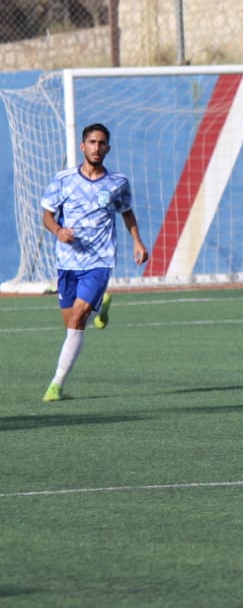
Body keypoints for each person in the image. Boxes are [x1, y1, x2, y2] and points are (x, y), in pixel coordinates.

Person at [40, 123, 149, 401]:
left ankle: (56, 385)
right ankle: (101, 306)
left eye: (101, 143)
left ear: (108, 148)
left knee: (77, 319)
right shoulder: (63, 179)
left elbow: (126, 212)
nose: (96, 147)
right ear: (83, 146)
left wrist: (137, 241)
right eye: (92, 142)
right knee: (71, 325)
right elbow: (47, 215)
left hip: (100, 259)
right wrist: (59, 231)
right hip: (67, 261)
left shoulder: (117, 182)